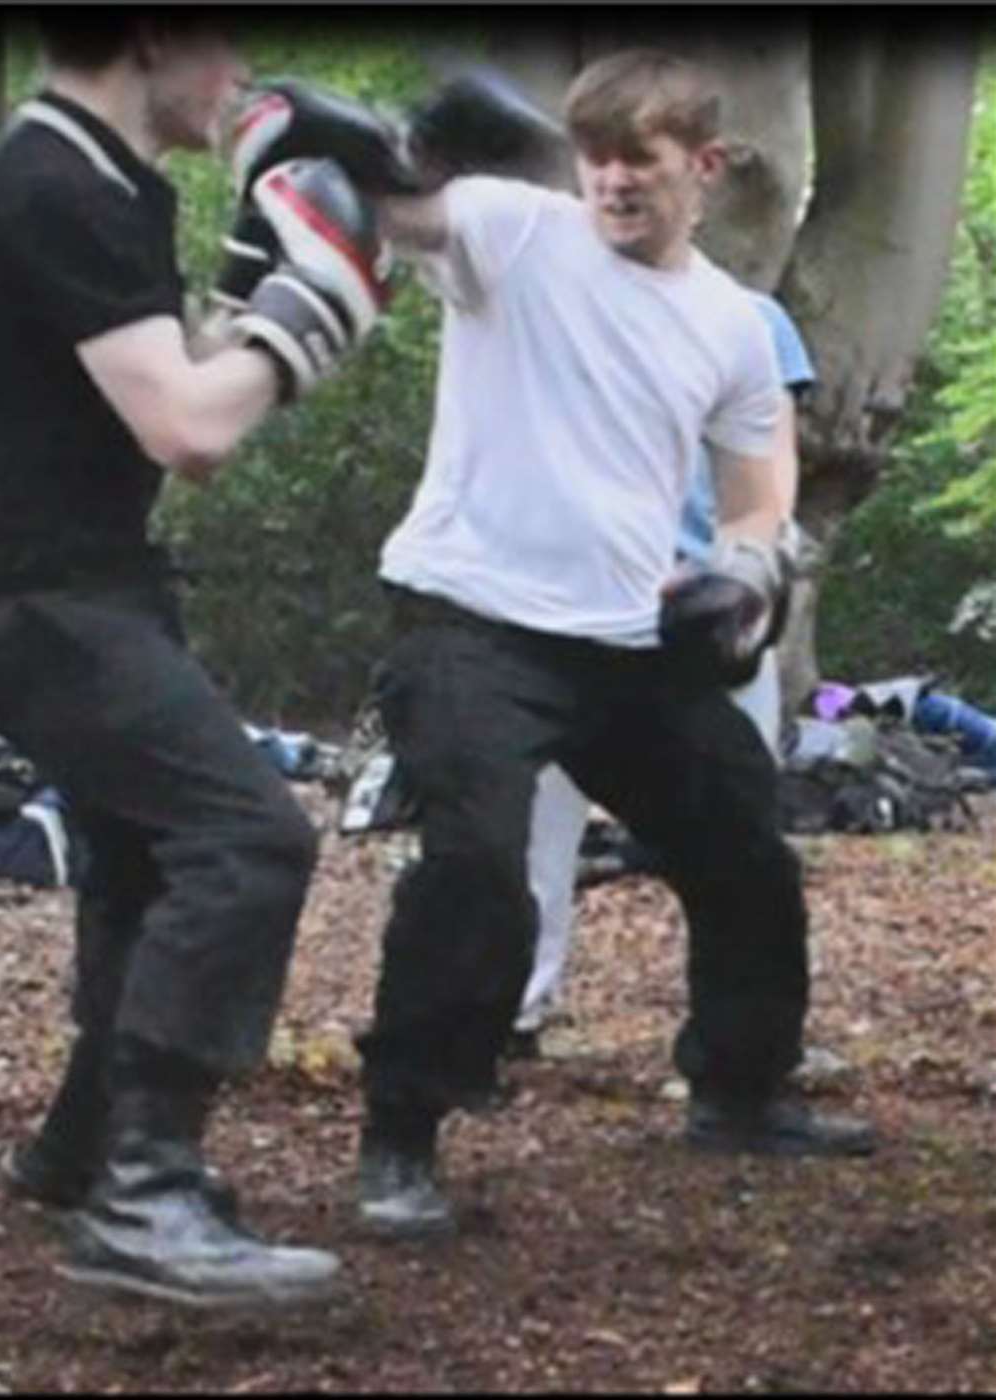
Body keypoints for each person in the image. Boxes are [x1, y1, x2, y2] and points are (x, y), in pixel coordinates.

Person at [345, 46, 876, 1238]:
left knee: (745, 850)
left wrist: (747, 567)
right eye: (595, 157)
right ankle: (402, 1132)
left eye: (639, 158)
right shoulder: (514, 230)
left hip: (628, 634)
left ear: (707, 164)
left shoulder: (736, 326)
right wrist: (378, 147)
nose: (613, 182)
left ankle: (740, 1087)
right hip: (470, 614)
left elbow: (755, 494)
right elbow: (404, 209)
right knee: (475, 865)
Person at [0, 9, 393, 1309]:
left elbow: (156, 390)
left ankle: (83, 1153)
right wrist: (299, 322)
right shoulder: (49, 181)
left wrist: (256, 308)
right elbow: (187, 424)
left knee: (142, 852)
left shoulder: (97, 181)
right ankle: (145, 1195)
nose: (236, 73)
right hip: (28, 595)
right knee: (247, 840)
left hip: (72, 580)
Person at [511, 291, 816, 1055]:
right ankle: (504, 1015)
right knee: (525, 832)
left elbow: (774, 466)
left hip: (710, 611)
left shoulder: (752, 320)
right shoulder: (554, 301)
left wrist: (751, 576)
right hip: (570, 609)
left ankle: (744, 1053)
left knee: (742, 836)